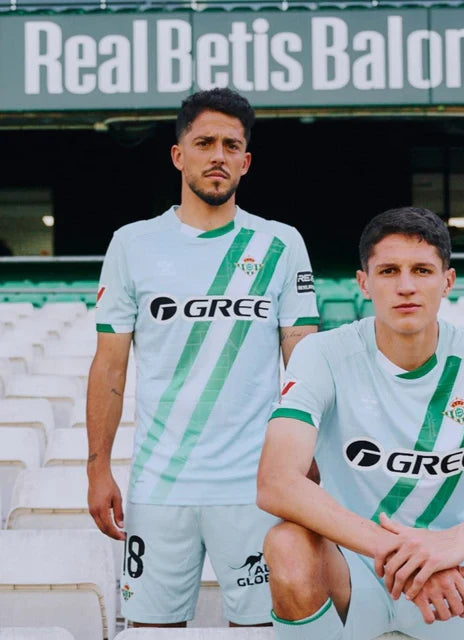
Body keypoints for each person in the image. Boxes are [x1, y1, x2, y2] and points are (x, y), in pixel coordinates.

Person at [256, 206, 464, 640]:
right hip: (356, 571)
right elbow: (276, 481)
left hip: (460, 579)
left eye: (422, 270)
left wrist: (459, 540)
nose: (406, 286)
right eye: (388, 271)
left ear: (447, 281)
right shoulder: (322, 354)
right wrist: (404, 553)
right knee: (286, 544)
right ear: (364, 283)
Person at [86, 87, 319, 628]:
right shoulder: (132, 244)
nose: (218, 156)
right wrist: (98, 470)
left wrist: (307, 454)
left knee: (262, 632)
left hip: (255, 486)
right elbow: (109, 366)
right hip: (159, 487)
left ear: (246, 161)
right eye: (205, 142)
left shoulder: (281, 244)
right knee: (152, 632)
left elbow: (304, 361)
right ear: (178, 154)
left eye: (231, 145)